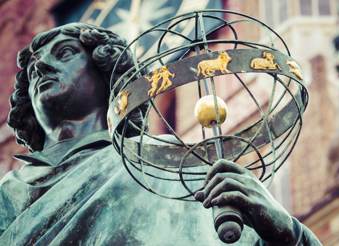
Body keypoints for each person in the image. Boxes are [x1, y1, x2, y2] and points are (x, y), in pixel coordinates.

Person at [0, 23, 321, 245]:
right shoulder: (8, 191)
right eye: (31, 71)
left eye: (65, 53)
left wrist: (287, 233)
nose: (41, 68)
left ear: (107, 72)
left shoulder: (170, 162)